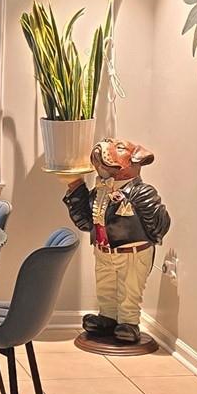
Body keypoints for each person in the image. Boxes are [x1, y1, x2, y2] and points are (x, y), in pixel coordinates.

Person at [63, 137, 170, 345]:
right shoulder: (99, 191)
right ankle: (107, 317)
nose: (109, 148)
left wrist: (151, 239)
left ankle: (129, 322)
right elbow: (86, 222)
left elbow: (158, 224)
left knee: (129, 288)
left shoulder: (142, 193)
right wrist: (76, 188)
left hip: (132, 253)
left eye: (119, 148)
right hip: (103, 250)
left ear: (135, 160)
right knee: (105, 286)